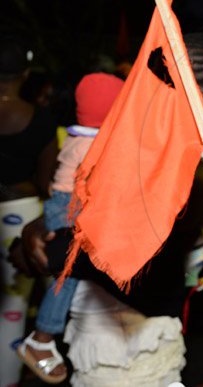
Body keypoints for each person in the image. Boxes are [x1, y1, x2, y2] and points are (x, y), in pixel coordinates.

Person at [9, 22, 203, 386]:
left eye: (170, 80)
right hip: (106, 331)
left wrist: (35, 247)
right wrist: (42, 226)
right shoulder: (150, 148)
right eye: (160, 77)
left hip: (131, 344)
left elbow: (117, 252)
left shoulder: (190, 169)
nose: (155, 89)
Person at [17, 71, 124, 384]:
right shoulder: (93, 146)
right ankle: (41, 338)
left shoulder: (81, 137)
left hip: (62, 204)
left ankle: (43, 335)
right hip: (69, 209)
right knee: (68, 272)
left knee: (69, 272)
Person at [0, 34, 58, 387]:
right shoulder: (40, 119)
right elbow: (48, 180)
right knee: (11, 312)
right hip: (18, 216)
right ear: (24, 73)